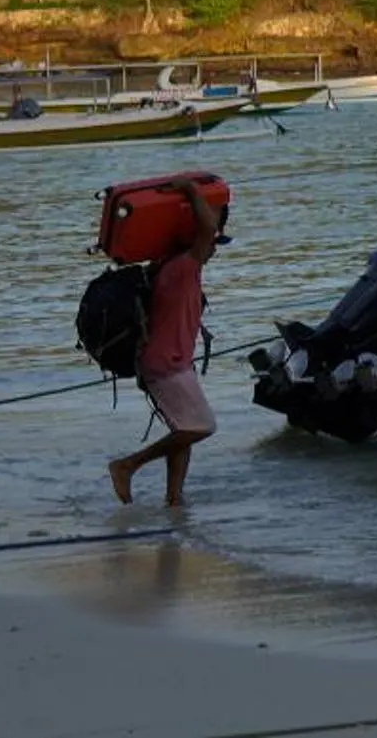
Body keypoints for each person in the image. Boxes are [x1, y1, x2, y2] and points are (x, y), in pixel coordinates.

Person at [107, 177, 220, 507]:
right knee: (202, 427)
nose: (214, 248)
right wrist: (190, 190)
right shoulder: (184, 266)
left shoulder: (166, 267)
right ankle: (127, 465)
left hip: (170, 362)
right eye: (213, 244)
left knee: (182, 432)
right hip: (165, 364)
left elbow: (207, 232)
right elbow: (207, 230)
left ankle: (174, 499)